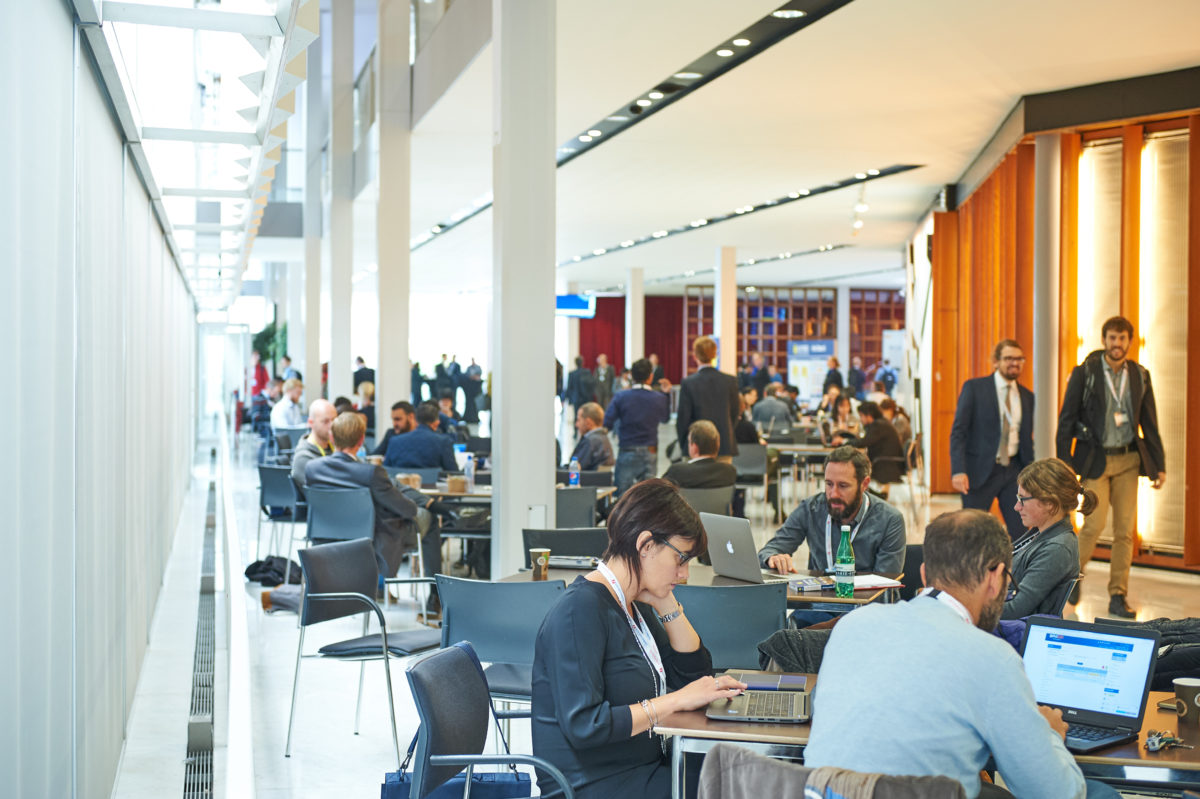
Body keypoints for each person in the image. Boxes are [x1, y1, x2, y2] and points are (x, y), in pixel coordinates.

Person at [803, 508, 1114, 799]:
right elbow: (1056, 792)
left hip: (828, 792)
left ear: (924, 574)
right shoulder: (993, 658)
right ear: (996, 577)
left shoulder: (851, 626)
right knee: (1100, 794)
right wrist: (1050, 736)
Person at [530, 479, 748, 799]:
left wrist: (666, 603)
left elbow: (693, 677)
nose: (685, 574)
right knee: (739, 786)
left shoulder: (633, 605)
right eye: (681, 559)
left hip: (639, 767)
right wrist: (676, 700)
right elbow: (585, 726)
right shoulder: (579, 610)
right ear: (646, 545)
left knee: (740, 771)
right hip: (592, 784)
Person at [1056, 316, 1165, 618]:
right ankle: (1072, 575)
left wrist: (1158, 466)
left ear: (1130, 342)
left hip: (1128, 460)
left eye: (1122, 338)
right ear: (1104, 340)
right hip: (1096, 460)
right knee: (1093, 524)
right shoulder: (1086, 373)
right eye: (1112, 338)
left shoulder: (1140, 375)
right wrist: (1065, 464)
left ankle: (1118, 594)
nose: (1117, 344)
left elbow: (1150, 423)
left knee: (1125, 532)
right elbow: (1066, 420)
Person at [305, 413, 445, 603]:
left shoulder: (312, 469)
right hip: (370, 541)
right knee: (429, 519)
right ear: (361, 440)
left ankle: (383, 588)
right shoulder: (371, 473)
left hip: (327, 539)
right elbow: (406, 510)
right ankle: (435, 596)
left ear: (331, 437)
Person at [758, 446, 906, 576]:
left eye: (843, 486)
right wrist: (773, 557)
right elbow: (769, 550)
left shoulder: (889, 520)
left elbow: (886, 586)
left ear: (864, 484)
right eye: (829, 484)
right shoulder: (811, 509)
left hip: (866, 599)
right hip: (819, 597)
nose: (834, 494)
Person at [949, 339, 1033, 540]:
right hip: (979, 471)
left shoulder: (1027, 396)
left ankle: (1016, 562)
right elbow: (959, 432)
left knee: (1021, 531)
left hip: (1013, 471)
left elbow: (1027, 439)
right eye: (1009, 358)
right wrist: (958, 470)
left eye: (1019, 359)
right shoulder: (975, 388)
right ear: (996, 361)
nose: (1015, 363)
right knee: (972, 533)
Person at [1003, 458, 1097, 620]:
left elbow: (1015, 610)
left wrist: (970, 606)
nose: (1016, 507)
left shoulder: (1057, 549)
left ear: (1050, 504)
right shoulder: (1040, 533)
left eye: (1022, 499)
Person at [604, 358, 670, 497]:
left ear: (632, 376)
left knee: (622, 496)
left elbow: (607, 422)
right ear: (650, 376)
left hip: (627, 449)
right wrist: (666, 394)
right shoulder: (659, 398)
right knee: (647, 496)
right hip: (650, 450)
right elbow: (665, 419)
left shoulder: (621, 396)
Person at [674, 336, 740, 462]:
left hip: (695, 446)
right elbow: (734, 414)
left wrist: (685, 444)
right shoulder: (730, 381)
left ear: (694, 356)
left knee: (693, 475)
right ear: (715, 355)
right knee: (723, 475)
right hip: (723, 444)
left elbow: (683, 418)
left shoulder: (689, 383)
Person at [833, 401, 905, 488]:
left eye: (861, 416)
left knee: (853, 470)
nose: (860, 419)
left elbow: (863, 442)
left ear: (869, 415)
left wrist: (843, 441)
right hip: (889, 464)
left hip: (886, 466)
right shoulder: (881, 423)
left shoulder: (878, 425)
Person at [383, 401, 458, 471]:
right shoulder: (443, 442)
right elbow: (453, 474)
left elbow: (386, 470)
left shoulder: (394, 441)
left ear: (416, 421)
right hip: (431, 481)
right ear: (436, 423)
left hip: (400, 481)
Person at [661, 421, 737, 490]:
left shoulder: (677, 471)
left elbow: (659, 492)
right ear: (718, 445)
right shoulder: (729, 472)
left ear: (694, 447)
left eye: (689, 442)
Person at [290, 399, 337, 488]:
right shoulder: (304, 458)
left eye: (334, 420)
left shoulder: (335, 447)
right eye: (325, 421)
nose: (332, 426)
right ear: (311, 423)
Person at [569, 402, 615, 471]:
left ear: (588, 422)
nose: (576, 425)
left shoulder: (590, 442)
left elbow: (574, 469)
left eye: (578, 420)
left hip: (586, 477)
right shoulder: (604, 438)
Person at [462, 358, 483, 424]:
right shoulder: (469, 368)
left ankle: (474, 417)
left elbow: (479, 374)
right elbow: (466, 374)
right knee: (469, 402)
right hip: (469, 386)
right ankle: (468, 417)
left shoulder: (478, 367)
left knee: (474, 403)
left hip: (475, 386)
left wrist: (476, 377)